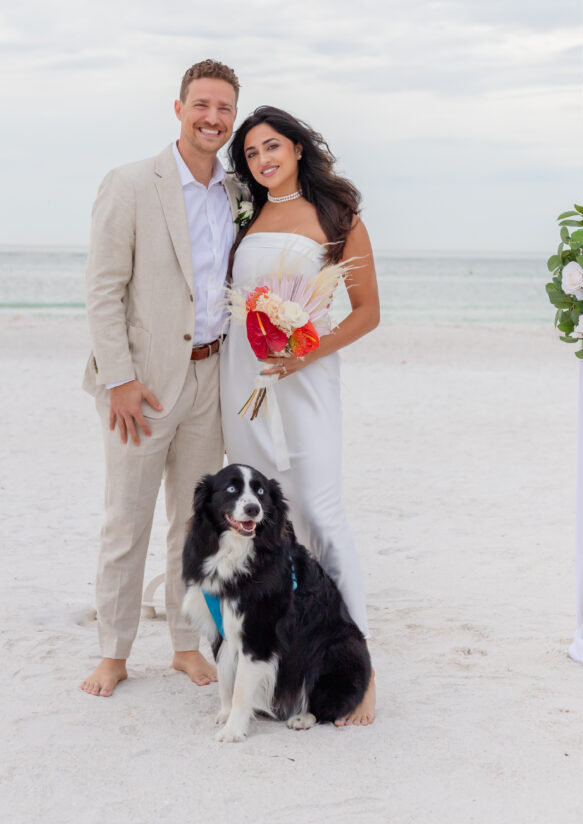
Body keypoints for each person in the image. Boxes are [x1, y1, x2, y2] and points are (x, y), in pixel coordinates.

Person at [80, 59, 242, 697]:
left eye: (224, 108)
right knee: (128, 518)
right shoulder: (129, 184)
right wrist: (118, 378)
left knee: (194, 523)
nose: (213, 118)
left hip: (210, 379)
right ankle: (113, 653)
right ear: (178, 108)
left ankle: (183, 644)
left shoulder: (235, 192)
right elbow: (102, 290)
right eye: (202, 104)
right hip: (141, 385)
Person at [220, 105, 380, 726]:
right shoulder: (247, 215)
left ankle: (358, 671)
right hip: (245, 379)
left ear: (297, 147)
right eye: (253, 153)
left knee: (320, 511)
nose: (263, 160)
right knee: (254, 527)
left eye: (272, 147)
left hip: (306, 377)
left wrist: (304, 350)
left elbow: (365, 312)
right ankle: (269, 670)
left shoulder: (338, 216)